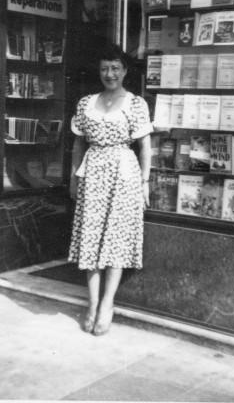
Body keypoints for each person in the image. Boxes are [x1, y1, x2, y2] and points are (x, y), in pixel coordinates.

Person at [68, 43, 152, 336]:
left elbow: (145, 146)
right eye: (105, 68)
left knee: (115, 239)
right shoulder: (85, 103)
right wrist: (74, 177)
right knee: (91, 237)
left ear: (125, 71)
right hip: (92, 173)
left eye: (116, 68)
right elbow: (78, 143)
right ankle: (91, 304)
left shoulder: (136, 103)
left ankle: (107, 304)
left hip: (123, 174)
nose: (110, 74)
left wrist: (144, 182)